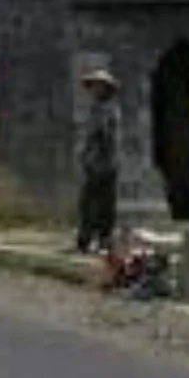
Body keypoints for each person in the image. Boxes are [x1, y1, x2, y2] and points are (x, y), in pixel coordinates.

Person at [73, 69, 121, 254]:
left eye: (98, 86)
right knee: (91, 203)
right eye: (93, 86)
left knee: (98, 204)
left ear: (106, 88)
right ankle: (90, 240)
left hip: (104, 164)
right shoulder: (97, 108)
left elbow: (106, 139)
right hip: (95, 163)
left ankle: (97, 240)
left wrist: (96, 161)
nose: (94, 89)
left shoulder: (109, 109)